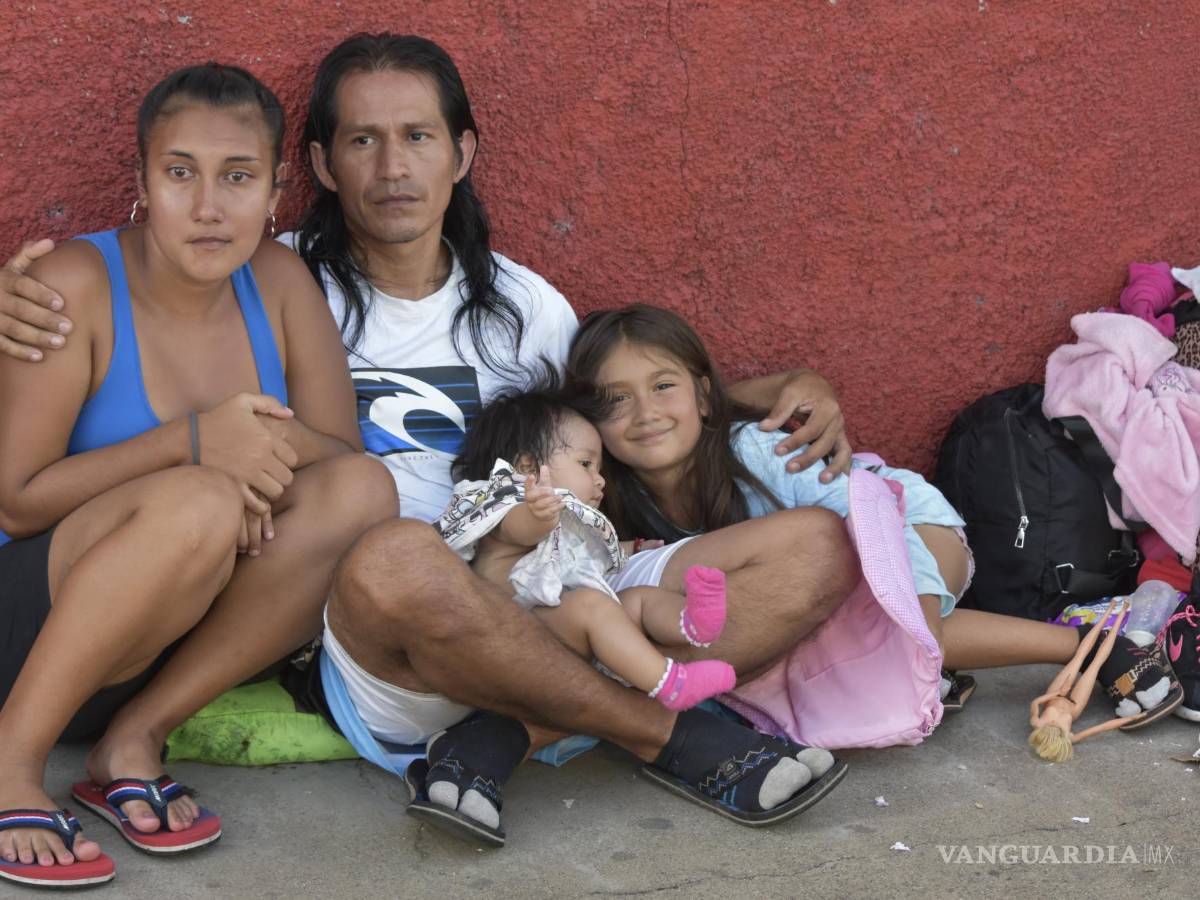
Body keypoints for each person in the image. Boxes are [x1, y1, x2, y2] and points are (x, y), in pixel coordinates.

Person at [0, 34, 859, 841]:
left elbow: (623, 415)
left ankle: (503, 735)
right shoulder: (264, 269)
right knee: (394, 546)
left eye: (417, 135)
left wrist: (762, 392)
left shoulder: (524, 308)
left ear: (464, 154)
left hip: (552, 586)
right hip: (384, 615)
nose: (394, 167)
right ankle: (664, 736)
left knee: (819, 545)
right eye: (363, 141)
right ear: (318, 168)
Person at [0, 64, 396, 888]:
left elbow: (342, 459)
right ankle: (11, 761)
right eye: (180, 173)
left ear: (277, 189)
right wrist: (192, 449)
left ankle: (132, 739)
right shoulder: (75, 284)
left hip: (169, 639)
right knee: (198, 497)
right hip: (30, 631)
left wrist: (247, 467)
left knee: (365, 494)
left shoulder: (280, 284)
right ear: (142, 180)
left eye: (238, 177)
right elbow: (18, 498)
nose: (209, 206)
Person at [565, 302, 1183, 733]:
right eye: (615, 400)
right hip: (828, 569)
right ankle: (932, 671)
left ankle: (1093, 644)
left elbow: (865, 512)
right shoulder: (607, 494)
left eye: (663, 386)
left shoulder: (758, 448)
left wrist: (916, 616)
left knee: (902, 629)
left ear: (704, 395)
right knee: (826, 637)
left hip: (910, 527)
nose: (645, 412)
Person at [437, 378, 738, 712]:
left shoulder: (564, 519)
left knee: (637, 601)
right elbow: (521, 531)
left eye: (599, 468)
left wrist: (630, 548)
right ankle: (671, 684)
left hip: (559, 627)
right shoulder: (506, 504)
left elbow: (581, 553)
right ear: (526, 468)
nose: (600, 479)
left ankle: (690, 622)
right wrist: (539, 513)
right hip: (520, 635)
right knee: (593, 607)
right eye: (586, 464)